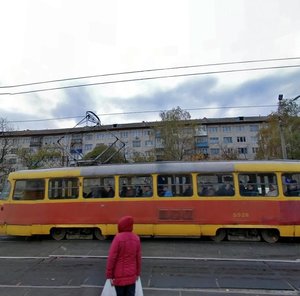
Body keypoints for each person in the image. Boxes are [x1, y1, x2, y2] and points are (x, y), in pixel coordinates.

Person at [106, 216, 142, 296]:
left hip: (119, 277)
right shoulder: (136, 238)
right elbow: (138, 259)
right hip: (132, 277)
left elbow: (112, 258)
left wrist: (109, 275)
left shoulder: (118, 238)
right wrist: (138, 273)